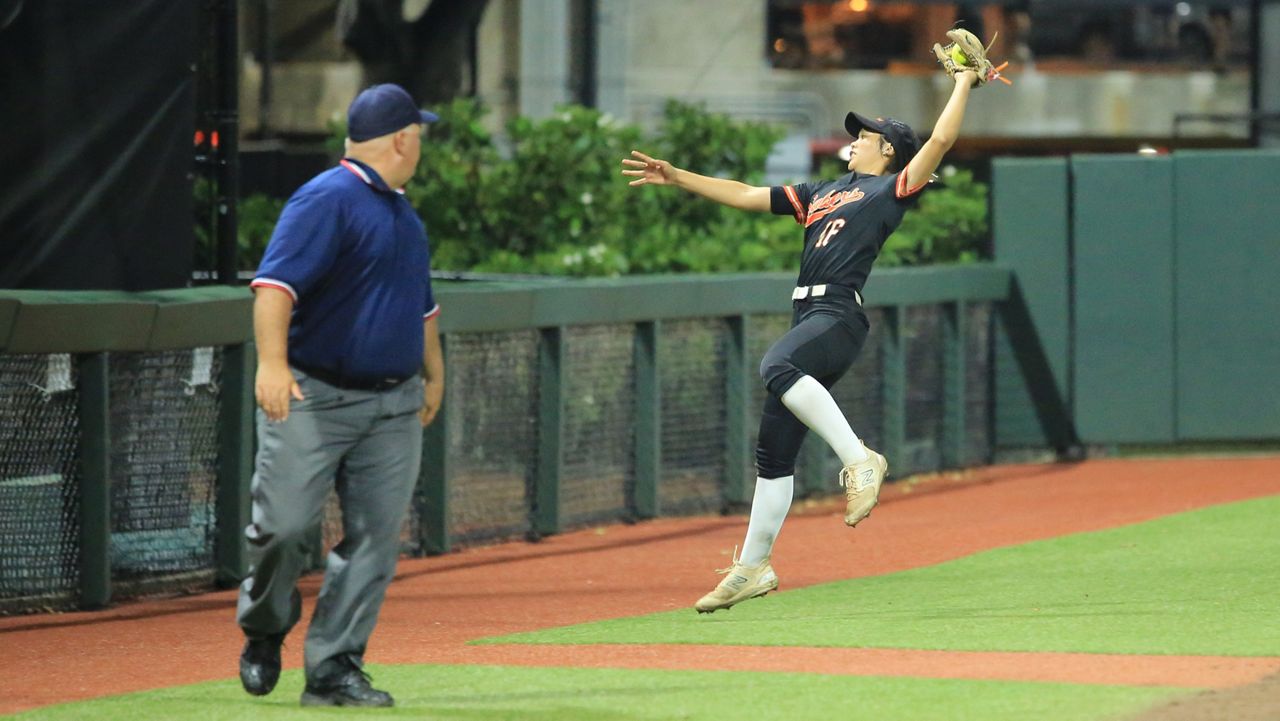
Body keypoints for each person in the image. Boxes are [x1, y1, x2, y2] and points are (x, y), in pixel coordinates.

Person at [622, 68, 981, 614]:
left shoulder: (892, 189)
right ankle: (752, 567)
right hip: (807, 314)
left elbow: (941, 141)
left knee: (777, 365)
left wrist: (960, 82)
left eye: (865, 135)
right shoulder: (822, 191)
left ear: (887, 150)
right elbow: (744, 194)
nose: (854, 139)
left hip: (837, 313)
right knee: (773, 453)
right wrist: (678, 176)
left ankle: (861, 459)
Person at [235, 83, 445, 707]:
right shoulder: (327, 198)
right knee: (284, 529)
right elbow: (274, 287)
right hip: (314, 395)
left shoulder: (402, 213)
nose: (423, 143)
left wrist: (433, 373)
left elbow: (422, 307)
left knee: (375, 540)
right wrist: (271, 364)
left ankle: (333, 670)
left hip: (392, 405)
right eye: (421, 134)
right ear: (403, 139)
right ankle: (266, 627)